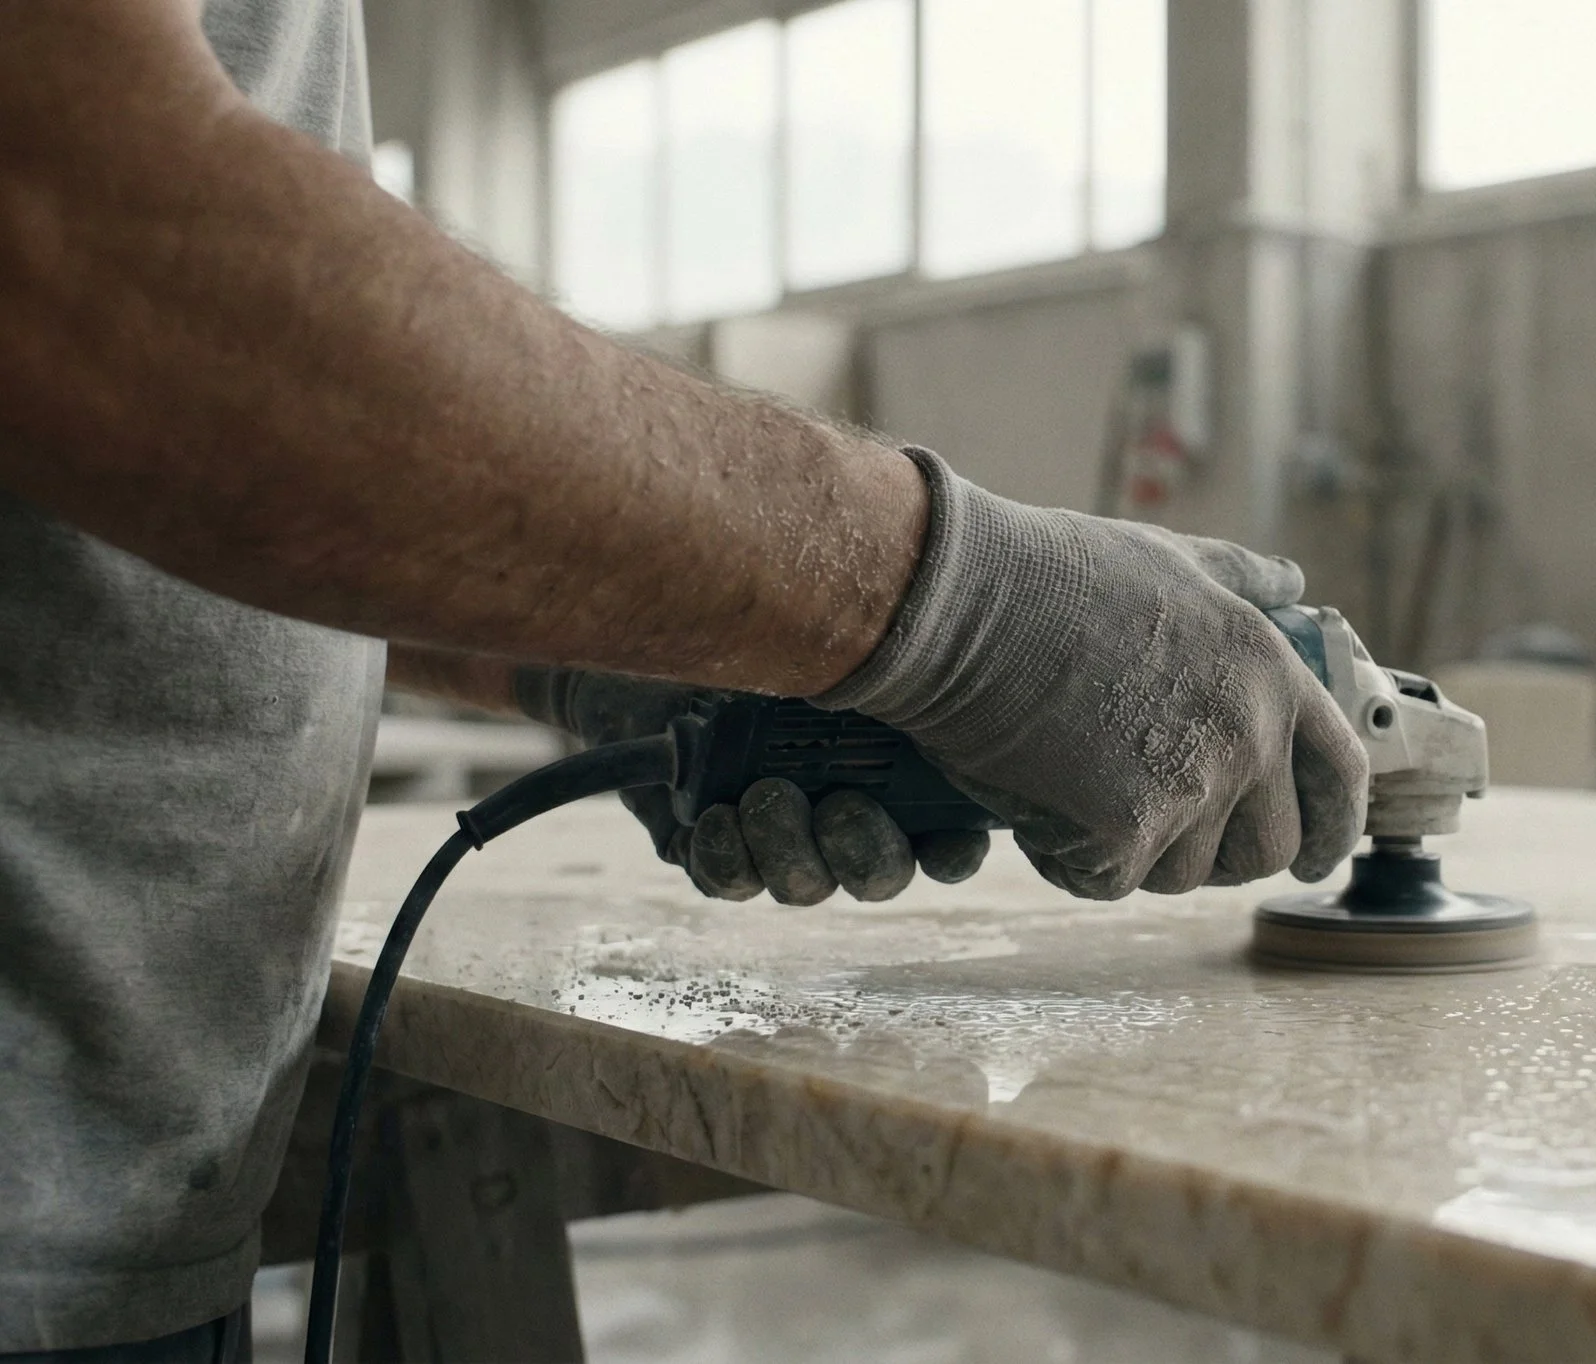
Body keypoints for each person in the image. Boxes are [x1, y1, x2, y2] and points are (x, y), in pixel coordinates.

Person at [0, 2, 1369, 1357]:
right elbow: (76, 229)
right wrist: (968, 606)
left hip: (115, 1167)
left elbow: (200, 449)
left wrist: (618, 651)